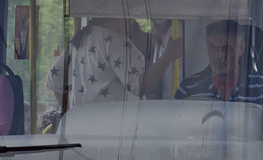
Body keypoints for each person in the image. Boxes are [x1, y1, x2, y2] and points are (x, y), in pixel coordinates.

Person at [44, 17, 182, 110]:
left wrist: (73, 113)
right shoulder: (115, 40)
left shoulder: (81, 39)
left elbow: (54, 81)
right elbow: (139, 87)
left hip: (82, 130)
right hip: (114, 130)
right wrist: (168, 56)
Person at [175, 19, 263, 105]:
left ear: (241, 48)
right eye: (213, 48)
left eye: (226, 48)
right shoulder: (188, 87)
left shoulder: (258, 85)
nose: (219, 55)